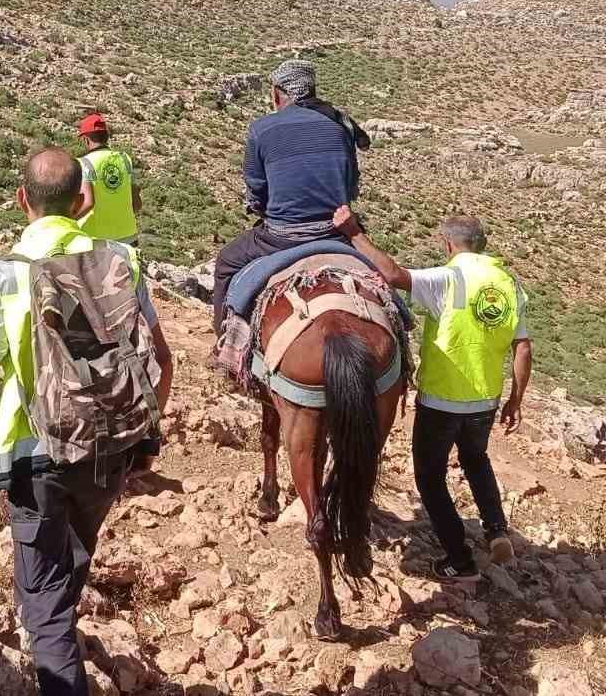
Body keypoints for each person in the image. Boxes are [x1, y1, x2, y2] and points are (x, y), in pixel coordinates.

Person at [0, 147, 174, 696]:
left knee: (42, 600)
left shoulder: (5, 273)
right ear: (83, 201)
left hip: (35, 451)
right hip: (109, 448)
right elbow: (163, 361)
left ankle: (58, 665)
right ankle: (62, 634)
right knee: (73, 556)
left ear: (23, 199)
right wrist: (141, 432)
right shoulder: (122, 259)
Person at [334, 206, 533, 583]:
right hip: (485, 399)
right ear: (483, 245)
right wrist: (515, 400)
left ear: (448, 244)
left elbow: (392, 274)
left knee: (430, 476)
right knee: (476, 458)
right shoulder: (509, 284)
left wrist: (353, 232)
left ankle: (459, 558)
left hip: (442, 398)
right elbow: (522, 347)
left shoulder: (448, 278)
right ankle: (495, 530)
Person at [210, 58, 365, 334]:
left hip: (282, 237)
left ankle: (224, 341)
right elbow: (352, 187)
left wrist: (262, 209)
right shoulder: (342, 127)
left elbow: (256, 191)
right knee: (380, 275)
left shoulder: (261, 129)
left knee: (225, 263)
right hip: (337, 232)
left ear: (277, 94)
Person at [74, 113, 141, 243]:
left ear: (86, 139)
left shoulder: (84, 163)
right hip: (127, 235)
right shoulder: (124, 158)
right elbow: (136, 202)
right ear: (106, 136)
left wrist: (67, 221)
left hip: (96, 238)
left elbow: (88, 203)